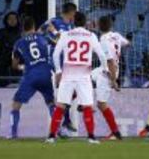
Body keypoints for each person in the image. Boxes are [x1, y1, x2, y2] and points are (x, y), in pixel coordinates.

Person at [45, 12, 108, 144]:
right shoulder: (91, 36)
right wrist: (105, 69)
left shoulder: (66, 35)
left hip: (67, 75)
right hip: (84, 76)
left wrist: (58, 71)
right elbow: (102, 55)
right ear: (85, 22)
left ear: (73, 21)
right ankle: (91, 137)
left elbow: (56, 54)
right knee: (87, 106)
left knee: (60, 106)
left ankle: (51, 136)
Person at [9, 17, 55, 139]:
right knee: (51, 103)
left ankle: (13, 134)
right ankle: (57, 131)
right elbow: (55, 44)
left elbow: (14, 64)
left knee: (16, 104)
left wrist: (21, 67)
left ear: (23, 28)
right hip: (46, 73)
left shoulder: (19, 43)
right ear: (34, 27)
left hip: (31, 75)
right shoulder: (43, 38)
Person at [39, 2, 77, 134]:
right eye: (74, 13)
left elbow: (64, 39)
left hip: (66, 62)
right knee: (61, 93)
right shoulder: (54, 21)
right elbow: (40, 32)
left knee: (69, 92)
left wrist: (56, 34)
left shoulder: (71, 26)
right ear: (72, 12)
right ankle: (62, 124)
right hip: (54, 63)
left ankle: (65, 121)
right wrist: (51, 38)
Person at [91, 16, 130, 140]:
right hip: (106, 70)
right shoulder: (116, 35)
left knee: (102, 105)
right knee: (86, 76)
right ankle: (82, 103)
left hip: (108, 73)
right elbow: (128, 43)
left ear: (98, 26)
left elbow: (110, 62)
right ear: (111, 26)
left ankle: (115, 132)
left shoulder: (103, 40)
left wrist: (114, 81)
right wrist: (117, 48)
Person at [0, 12, 21, 86]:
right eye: (10, 19)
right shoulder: (1, 33)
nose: (12, 20)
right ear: (6, 20)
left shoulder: (22, 33)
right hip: (3, 63)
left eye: (14, 18)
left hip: (19, 62)